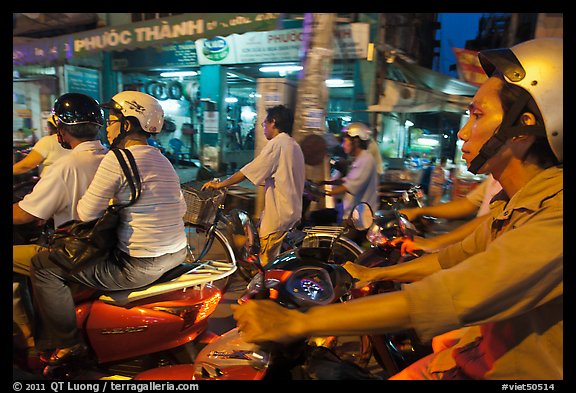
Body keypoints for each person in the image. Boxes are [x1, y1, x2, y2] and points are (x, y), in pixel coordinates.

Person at [232, 38, 563, 379]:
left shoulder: (556, 217)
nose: (464, 132)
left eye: (477, 115)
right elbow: (454, 257)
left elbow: (452, 293)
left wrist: (298, 321)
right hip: (477, 352)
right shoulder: (513, 204)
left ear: (523, 127)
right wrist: (376, 273)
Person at [29, 91, 189, 365]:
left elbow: (86, 213)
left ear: (127, 124)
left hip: (137, 264)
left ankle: (68, 345)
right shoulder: (163, 160)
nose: (108, 126)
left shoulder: (119, 158)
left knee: (43, 267)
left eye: (113, 119)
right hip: (177, 253)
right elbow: (182, 209)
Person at [13, 93, 108, 355]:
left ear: (61, 131)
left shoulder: (66, 165)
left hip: (75, 251)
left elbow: (23, 215)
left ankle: (35, 339)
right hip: (104, 246)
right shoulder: (112, 158)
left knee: (31, 262)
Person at [202, 105, 305, 267]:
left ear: (273, 123)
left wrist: (221, 184)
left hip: (278, 216)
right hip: (292, 211)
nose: (263, 127)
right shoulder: (293, 145)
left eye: (264, 123)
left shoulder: (277, 144)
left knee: (267, 265)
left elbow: (249, 170)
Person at [399, 174, 503, 253]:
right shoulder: (495, 176)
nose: (464, 149)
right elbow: (466, 204)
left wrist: (435, 242)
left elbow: (493, 217)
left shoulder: (514, 181)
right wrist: (418, 211)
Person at [325, 122, 379, 222]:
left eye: (345, 141)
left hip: (360, 218)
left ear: (356, 142)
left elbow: (349, 186)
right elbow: (346, 181)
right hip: (354, 215)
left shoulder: (365, 160)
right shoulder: (359, 159)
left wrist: (325, 193)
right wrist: (324, 183)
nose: (343, 145)